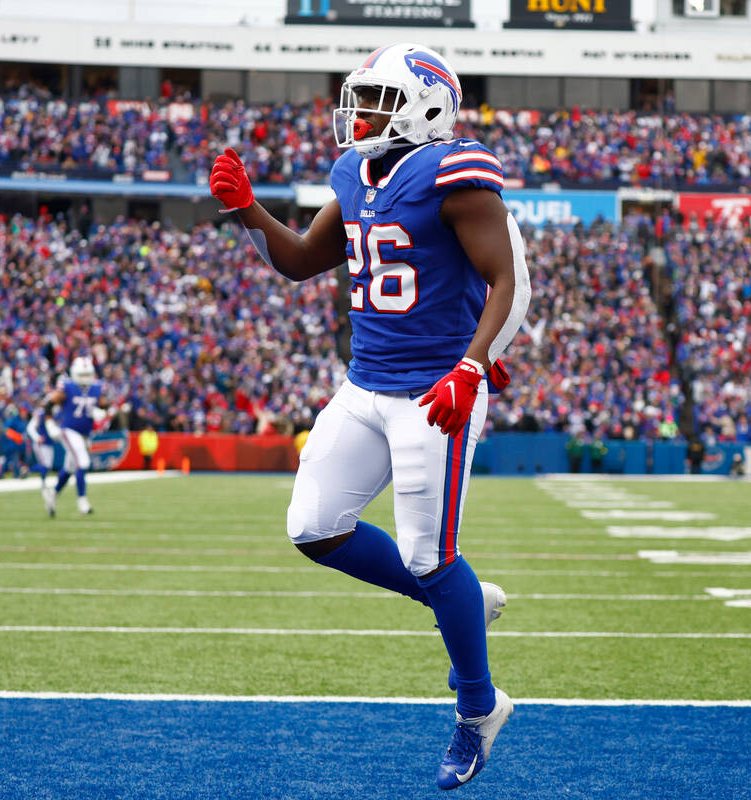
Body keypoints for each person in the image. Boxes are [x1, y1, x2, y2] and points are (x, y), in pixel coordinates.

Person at [208, 42, 530, 790]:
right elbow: (296, 260)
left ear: (425, 107)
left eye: (378, 100)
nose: (359, 115)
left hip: (434, 390)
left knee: (429, 554)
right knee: (314, 526)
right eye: (361, 99)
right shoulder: (354, 172)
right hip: (366, 384)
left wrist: (474, 365)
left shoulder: (456, 172)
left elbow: (503, 276)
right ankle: (460, 600)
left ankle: (479, 709)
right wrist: (244, 211)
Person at [43, 357, 106, 516]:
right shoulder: (67, 386)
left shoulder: (97, 387)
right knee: (83, 462)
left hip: (85, 434)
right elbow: (48, 404)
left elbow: (105, 405)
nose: (85, 378)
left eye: (88, 375)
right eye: (82, 375)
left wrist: (103, 412)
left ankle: (53, 493)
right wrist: (50, 424)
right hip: (69, 431)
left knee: (69, 468)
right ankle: (82, 501)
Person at [26, 406, 60, 492]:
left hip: (49, 443)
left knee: (48, 466)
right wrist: (37, 437)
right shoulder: (40, 414)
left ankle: (29, 471)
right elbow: (30, 427)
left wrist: (56, 436)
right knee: (44, 465)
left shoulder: (56, 412)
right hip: (41, 443)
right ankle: (29, 471)